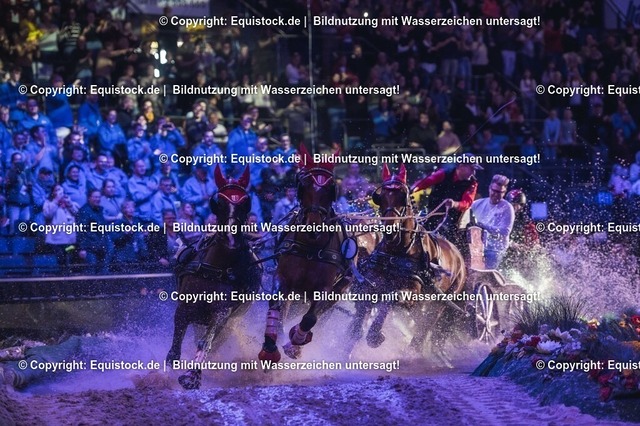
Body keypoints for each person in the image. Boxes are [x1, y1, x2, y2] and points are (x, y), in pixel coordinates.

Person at [411, 154, 481, 250]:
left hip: (453, 217)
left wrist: (455, 204)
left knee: (448, 234)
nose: (473, 172)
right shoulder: (444, 173)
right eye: (472, 168)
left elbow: (467, 202)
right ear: (461, 166)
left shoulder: (472, 183)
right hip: (432, 211)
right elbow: (426, 182)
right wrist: (412, 189)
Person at [470, 175, 514, 270]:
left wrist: (484, 226)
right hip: (477, 248)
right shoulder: (477, 204)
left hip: (495, 250)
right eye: (494, 191)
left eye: (499, 192)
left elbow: (505, 232)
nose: (495, 194)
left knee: (485, 272)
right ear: (489, 189)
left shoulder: (507, 208)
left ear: (504, 193)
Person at [502, 189, 540, 275]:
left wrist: (516, 246)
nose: (510, 207)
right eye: (509, 204)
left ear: (521, 206)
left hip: (518, 259)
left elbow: (534, 247)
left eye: (514, 204)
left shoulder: (526, 224)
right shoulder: (500, 217)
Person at [42, 185, 79, 271]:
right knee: (60, 260)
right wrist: (56, 201)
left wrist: (69, 204)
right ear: (53, 192)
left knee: (69, 258)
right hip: (56, 239)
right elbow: (48, 214)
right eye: (57, 190)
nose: (59, 192)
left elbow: (77, 213)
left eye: (60, 190)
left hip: (69, 239)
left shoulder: (70, 202)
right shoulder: (48, 203)